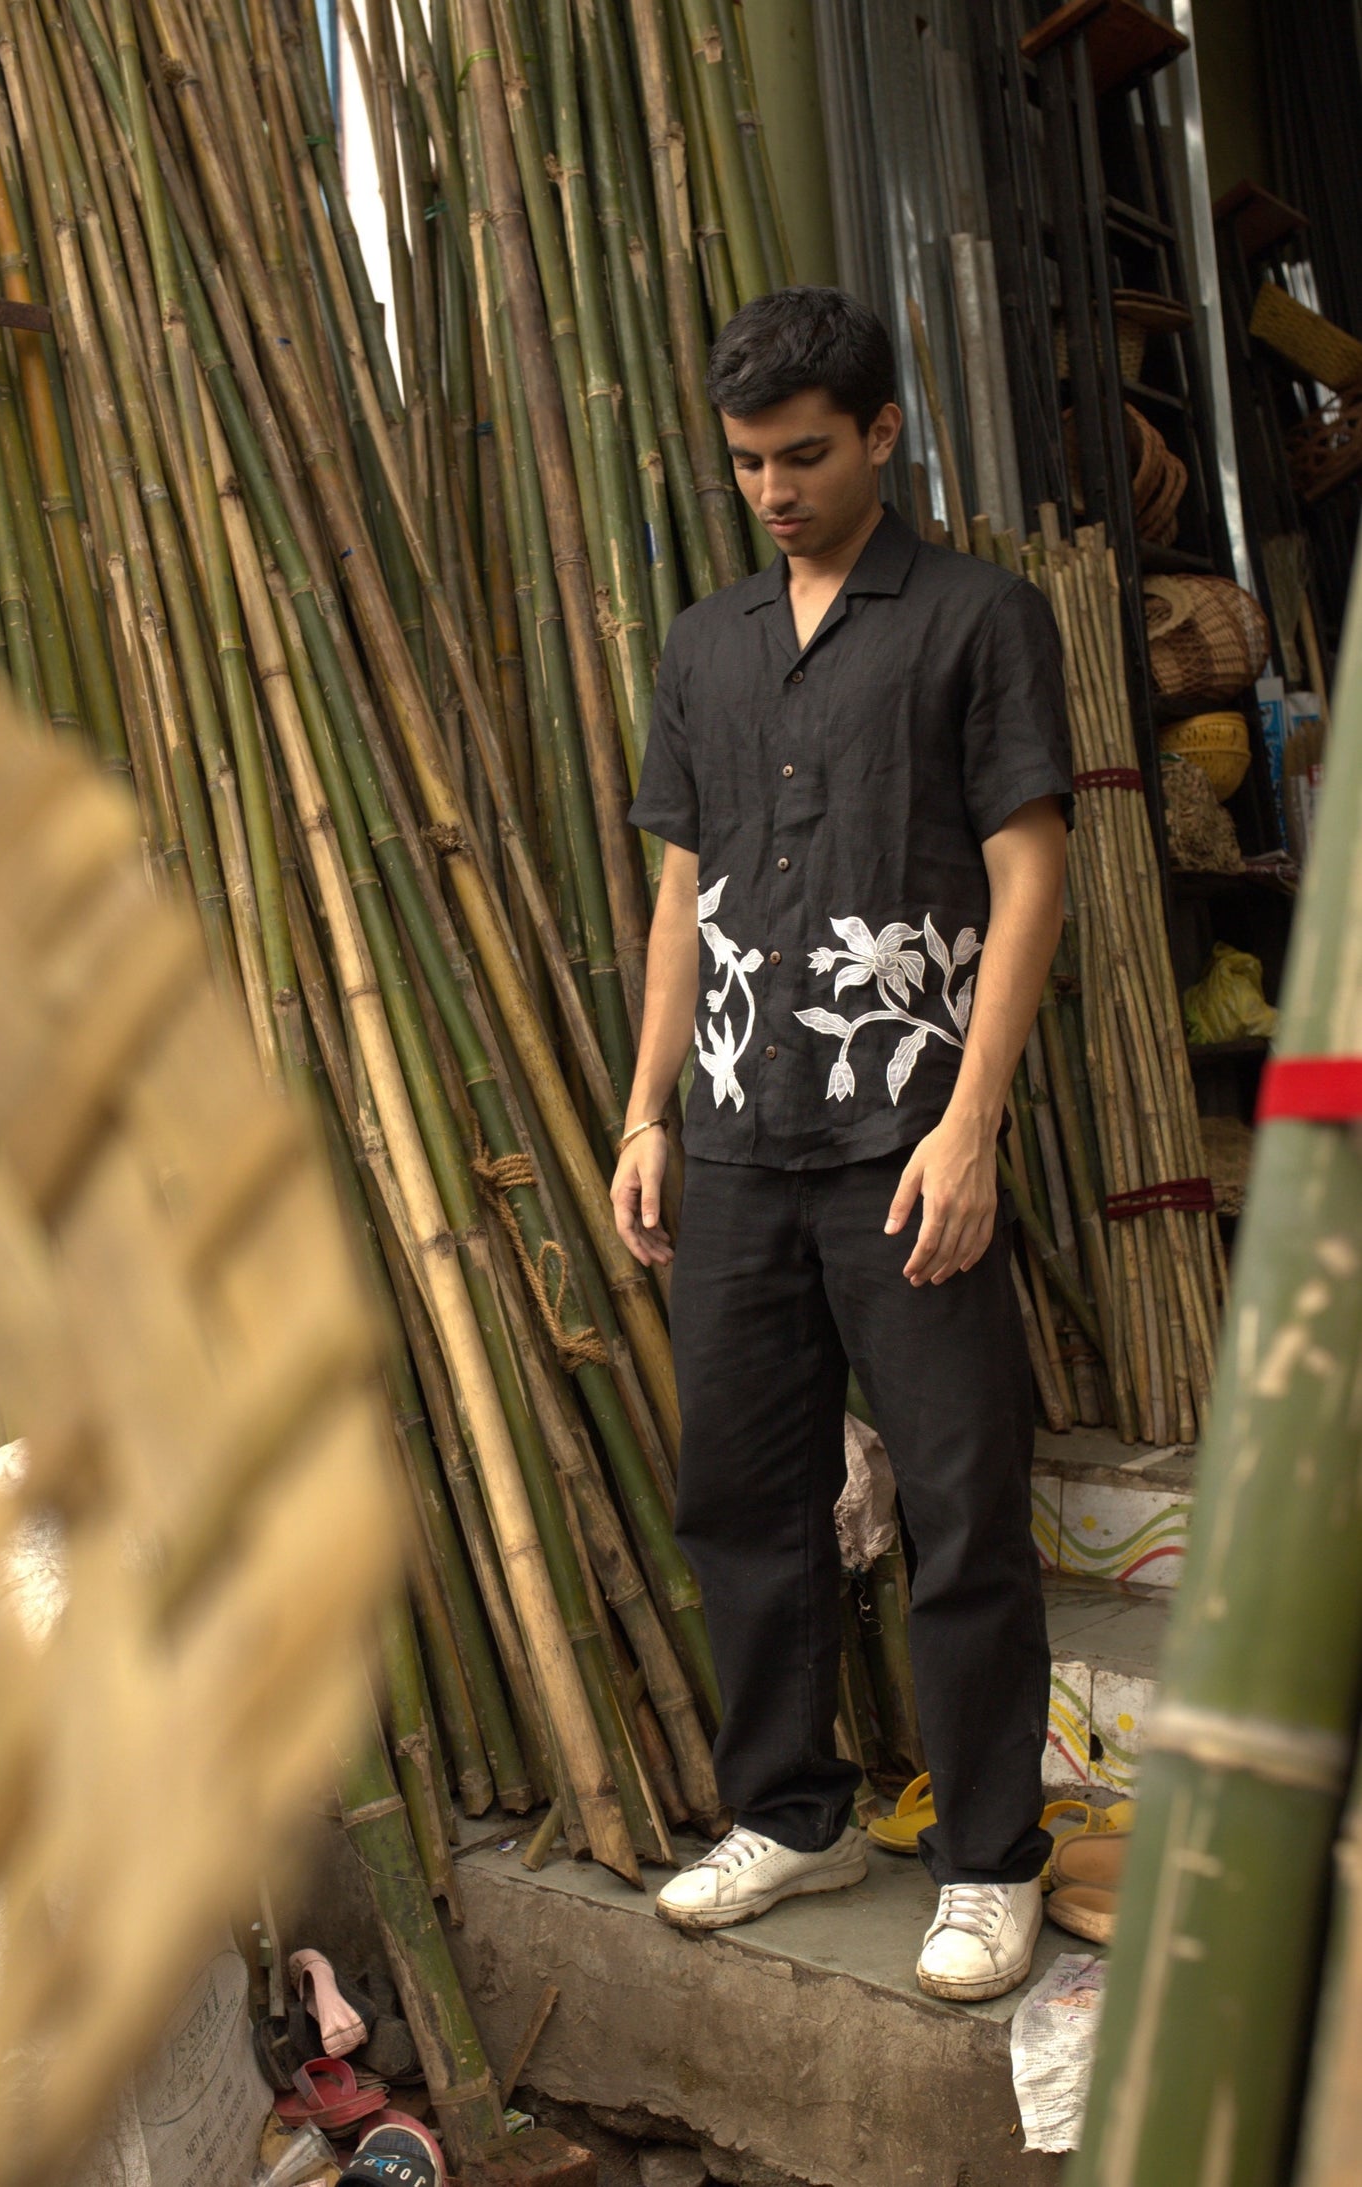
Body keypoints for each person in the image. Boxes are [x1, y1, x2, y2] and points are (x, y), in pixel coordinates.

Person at [611, 288, 1071, 2003]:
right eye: (745, 463)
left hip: (906, 1141)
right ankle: (787, 1810)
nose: (774, 490)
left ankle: (987, 1856)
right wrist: (645, 1109)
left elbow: (1027, 872)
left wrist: (970, 1124)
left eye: (804, 454)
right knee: (739, 1495)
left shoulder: (975, 618)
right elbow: (683, 890)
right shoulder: (703, 644)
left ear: (883, 432)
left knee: (959, 1503)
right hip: (732, 1139)